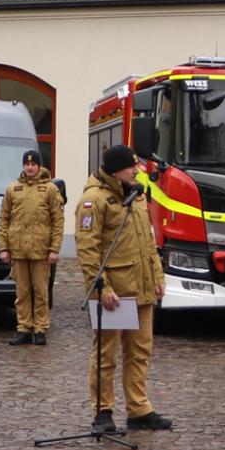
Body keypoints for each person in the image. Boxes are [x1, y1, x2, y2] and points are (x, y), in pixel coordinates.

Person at [76, 145, 170, 434]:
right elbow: (88, 250)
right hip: (115, 294)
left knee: (140, 351)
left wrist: (157, 275)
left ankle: (138, 409)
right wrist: (102, 289)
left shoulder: (136, 195)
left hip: (141, 288)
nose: (138, 171)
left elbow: (148, 241)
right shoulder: (93, 200)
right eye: (132, 167)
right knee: (106, 355)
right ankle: (103, 411)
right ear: (117, 170)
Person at [0, 149, 64, 346]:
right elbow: (4, 219)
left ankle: (40, 328)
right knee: (22, 292)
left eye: (33, 164)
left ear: (39, 166)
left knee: (41, 291)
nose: (30, 167)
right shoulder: (13, 189)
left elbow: (58, 221)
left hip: (40, 250)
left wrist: (54, 249)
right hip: (18, 249)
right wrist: (3, 247)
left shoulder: (50, 189)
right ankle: (24, 328)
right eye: (27, 164)